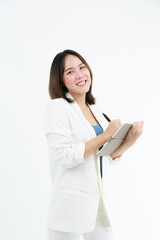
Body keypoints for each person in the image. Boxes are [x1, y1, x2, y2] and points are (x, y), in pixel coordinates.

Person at [43, 49, 143, 240]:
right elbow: (63, 156)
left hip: (99, 205)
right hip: (70, 208)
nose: (80, 74)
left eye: (82, 67)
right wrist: (106, 134)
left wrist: (129, 141)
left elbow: (102, 155)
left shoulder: (97, 109)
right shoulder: (57, 108)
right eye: (70, 72)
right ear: (60, 80)